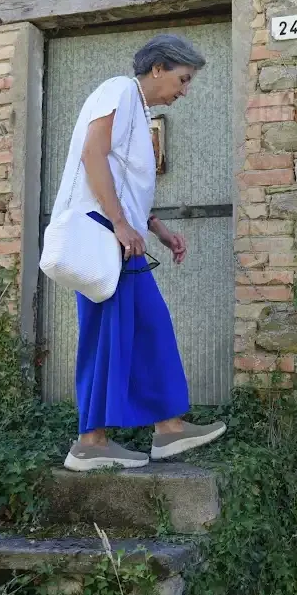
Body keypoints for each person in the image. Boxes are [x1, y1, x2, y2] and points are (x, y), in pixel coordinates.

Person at [53, 34, 227, 472]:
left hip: (117, 236)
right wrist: (119, 223)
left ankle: (166, 429)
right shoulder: (117, 90)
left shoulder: (137, 108)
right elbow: (92, 155)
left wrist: (157, 228)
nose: (185, 91)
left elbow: (124, 183)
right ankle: (92, 441)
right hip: (103, 235)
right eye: (183, 79)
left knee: (145, 327)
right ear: (158, 69)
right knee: (113, 332)